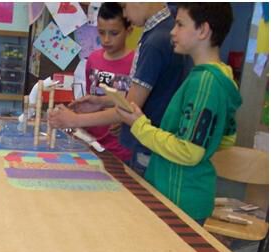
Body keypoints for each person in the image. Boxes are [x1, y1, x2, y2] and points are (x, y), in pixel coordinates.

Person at [116, 3, 240, 224]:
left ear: (203, 30)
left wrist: (139, 125)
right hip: (183, 191)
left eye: (180, 25)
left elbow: (189, 151)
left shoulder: (205, 82)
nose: (172, 32)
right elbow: (226, 138)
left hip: (179, 195)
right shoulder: (221, 76)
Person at [50, 3, 190, 174]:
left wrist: (74, 120)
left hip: (145, 147)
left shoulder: (156, 40)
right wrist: (101, 101)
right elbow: (140, 96)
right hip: (142, 143)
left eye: (124, 6)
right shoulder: (156, 34)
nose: (124, 13)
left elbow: (130, 107)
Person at [83, 2, 134, 162]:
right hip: (90, 143)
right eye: (101, 32)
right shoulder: (93, 59)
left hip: (121, 150)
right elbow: (89, 97)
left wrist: (126, 123)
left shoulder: (136, 63)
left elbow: (138, 105)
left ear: (129, 31)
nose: (106, 39)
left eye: (114, 33)